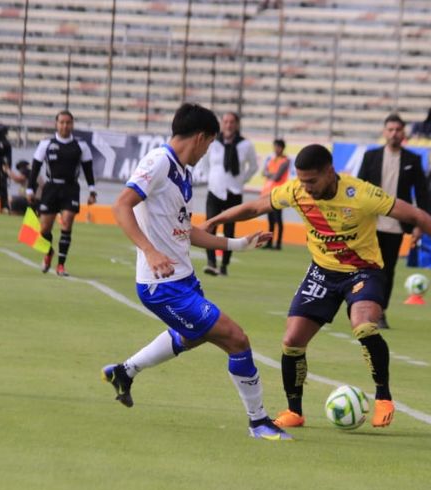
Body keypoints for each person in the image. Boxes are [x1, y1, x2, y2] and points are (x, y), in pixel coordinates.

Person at [202, 144, 431, 430]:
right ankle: (295, 411)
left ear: (330, 172)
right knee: (292, 340)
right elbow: (255, 206)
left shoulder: (362, 194)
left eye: (312, 181)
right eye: (302, 181)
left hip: (363, 271)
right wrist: (217, 220)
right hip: (322, 272)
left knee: (364, 325)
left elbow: (417, 216)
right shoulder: (295, 191)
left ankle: (383, 397)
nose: (306, 187)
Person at [101, 103, 290, 441]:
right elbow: (121, 204)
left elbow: (186, 231)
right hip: (162, 286)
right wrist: (149, 250)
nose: (207, 153)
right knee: (236, 338)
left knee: (193, 336)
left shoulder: (182, 172)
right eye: (209, 145)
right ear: (201, 138)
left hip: (183, 279)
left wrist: (239, 245)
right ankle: (258, 421)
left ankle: (124, 372)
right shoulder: (158, 162)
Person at [356, 113, 429, 329]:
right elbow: (358, 189)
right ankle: (361, 309)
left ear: (404, 133)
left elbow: (422, 194)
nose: (394, 133)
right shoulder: (371, 157)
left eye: (398, 130)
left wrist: (419, 224)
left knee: (387, 270)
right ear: (384, 132)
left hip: (396, 225)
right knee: (364, 269)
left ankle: (380, 312)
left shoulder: (412, 161)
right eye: (390, 129)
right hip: (369, 224)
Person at [28, 110, 97, 277]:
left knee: (66, 224)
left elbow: (88, 170)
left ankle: (61, 265)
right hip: (51, 188)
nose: (65, 126)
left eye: (68, 123)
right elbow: (35, 168)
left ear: (72, 125)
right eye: (62, 122)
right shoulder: (46, 144)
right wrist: (30, 189)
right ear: (56, 124)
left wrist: (92, 190)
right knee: (44, 228)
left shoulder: (81, 146)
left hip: (70, 189)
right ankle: (48, 252)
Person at [202, 111, 258, 276]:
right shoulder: (213, 142)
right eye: (225, 121)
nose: (228, 125)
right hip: (214, 190)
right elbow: (204, 163)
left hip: (234, 191)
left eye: (231, 122)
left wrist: (241, 181)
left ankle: (224, 265)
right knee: (210, 226)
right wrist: (210, 179)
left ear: (237, 124)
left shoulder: (245, 145)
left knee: (229, 231)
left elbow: (253, 166)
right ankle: (211, 262)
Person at [260, 139, 290, 250]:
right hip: (269, 193)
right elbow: (264, 172)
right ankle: (270, 242)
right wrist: (270, 174)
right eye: (274, 147)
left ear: (282, 148)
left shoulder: (285, 160)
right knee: (271, 220)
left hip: (279, 193)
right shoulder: (273, 159)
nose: (275, 149)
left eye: (277, 147)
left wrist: (269, 174)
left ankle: (278, 243)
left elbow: (276, 176)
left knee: (278, 219)